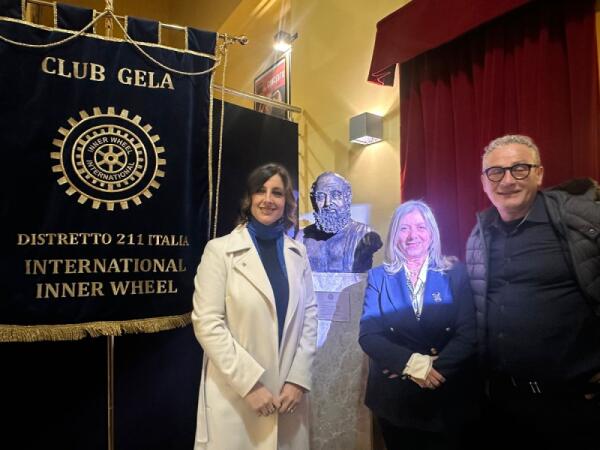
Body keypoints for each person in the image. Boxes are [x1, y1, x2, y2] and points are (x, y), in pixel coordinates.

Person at [466, 134, 600, 448]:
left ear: (539, 174)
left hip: (576, 406)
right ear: (484, 182)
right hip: (504, 404)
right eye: (495, 172)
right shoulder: (479, 235)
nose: (507, 180)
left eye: (519, 169)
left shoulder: (582, 222)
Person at [192, 163, 318, 450]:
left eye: (277, 193)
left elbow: (310, 317)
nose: (268, 199)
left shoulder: (298, 253)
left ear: (286, 201)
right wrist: (250, 384)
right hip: (236, 396)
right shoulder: (219, 251)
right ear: (249, 199)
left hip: (288, 397)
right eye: (260, 191)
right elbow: (207, 323)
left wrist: (298, 380)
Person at [359, 200, 478, 450]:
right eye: (404, 228)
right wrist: (411, 364)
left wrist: (431, 371)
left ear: (432, 234)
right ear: (394, 236)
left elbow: (468, 334)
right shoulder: (379, 277)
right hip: (396, 401)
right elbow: (369, 335)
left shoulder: (455, 274)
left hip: (445, 395)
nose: (413, 235)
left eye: (421, 227)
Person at [296, 171, 382, 272]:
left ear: (347, 198)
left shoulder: (365, 234)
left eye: (335, 195)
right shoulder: (302, 237)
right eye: (321, 197)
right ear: (313, 201)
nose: (327, 203)